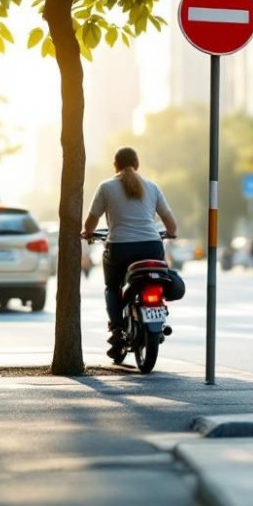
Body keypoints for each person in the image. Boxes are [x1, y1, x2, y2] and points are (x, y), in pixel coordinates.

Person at [82, 147, 178, 362]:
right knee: (156, 278)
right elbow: (171, 224)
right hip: (152, 247)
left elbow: (91, 221)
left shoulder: (106, 187)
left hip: (120, 249)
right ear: (137, 165)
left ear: (114, 165)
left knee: (112, 287)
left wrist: (87, 233)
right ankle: (158, 315)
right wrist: (171, 233)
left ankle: (117, 330)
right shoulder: (152, 187)